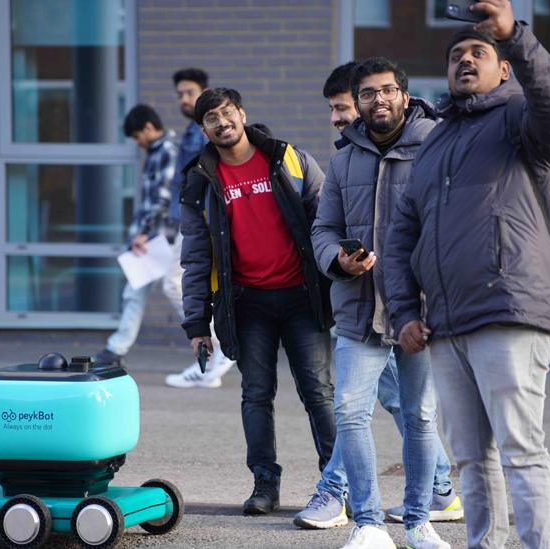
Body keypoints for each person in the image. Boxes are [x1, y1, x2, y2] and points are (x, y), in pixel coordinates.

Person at [383, 2, 550, 548]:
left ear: (504, 68)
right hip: (445, 324)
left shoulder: (521, 119)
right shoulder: (435, 140)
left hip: (509, 309)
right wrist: (403, 313)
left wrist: (514, 34)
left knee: (520, 448)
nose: (465, 60)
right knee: (470, 457)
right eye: (456, 55)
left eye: (478, 53)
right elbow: (401, 237)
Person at [179, 88, 347, 521]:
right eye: (211, 118)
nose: (221, 122)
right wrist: (197, 323)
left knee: (318, 393)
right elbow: (196, 256)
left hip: (300, 297)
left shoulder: (287, 159)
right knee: (256, 395)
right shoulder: (199, 178)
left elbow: (329, 220)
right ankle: (264, 485)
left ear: (242, 114)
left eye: (227, 113)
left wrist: (341, 284)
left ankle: (336, 483)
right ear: (203, 129)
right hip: (246, 303)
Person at [311, 58, 453, 549]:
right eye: (368, 93)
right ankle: (369, 523)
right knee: (350, 411)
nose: (379, 100)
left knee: (420, 415)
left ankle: (418, 522)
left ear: (405, 94)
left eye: (388, 90)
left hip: (420, 309)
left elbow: (455, 224)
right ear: (359, 101)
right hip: (357, 308)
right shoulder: (344, 158)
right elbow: (322, 229)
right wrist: (338, 261)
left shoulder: (436, 145)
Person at [92, 105, 186, 369]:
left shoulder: (166, 151)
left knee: (176, 290)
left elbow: (162, 198)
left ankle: (214, 344)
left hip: (159, 239)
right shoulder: (159, 152)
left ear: (148, 127)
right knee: (135, 293)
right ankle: (115, 349)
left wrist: (144, 232)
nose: (137, 143)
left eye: (137, 136)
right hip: (154, 238)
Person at [162, 67, 236, 389]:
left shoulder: (203, 134)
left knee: (175, 281)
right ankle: (215, 354)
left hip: (204, 220)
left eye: (189, 93)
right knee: (186, 283)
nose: (183, 99)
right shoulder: (191, 133)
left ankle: (220, 349)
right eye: (179, 94)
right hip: (190, 220)